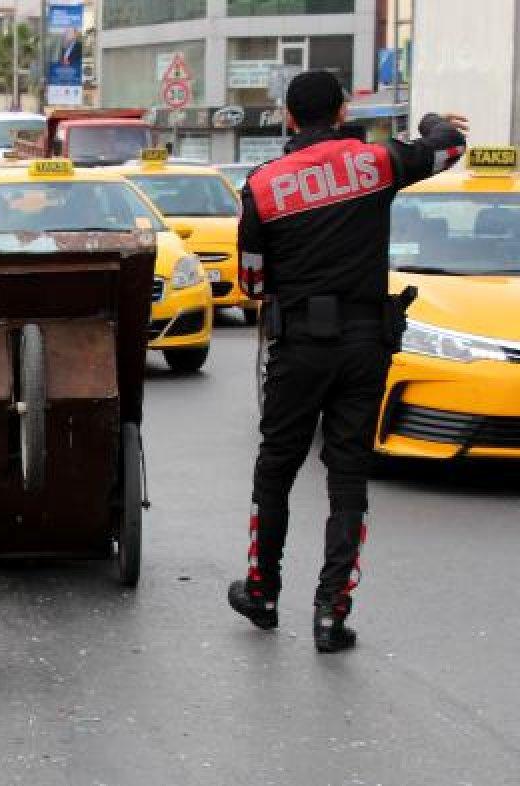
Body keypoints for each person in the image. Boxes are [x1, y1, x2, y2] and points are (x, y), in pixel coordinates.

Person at [227, 70, 467, 653]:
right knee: (348, 474)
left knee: (277, 467)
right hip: (366, 344)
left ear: (287, 116)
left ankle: (262, 592)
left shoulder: (262, 185)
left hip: (299, 347)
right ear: (341, 112)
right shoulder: (378, 163)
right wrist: (433, 121)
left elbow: (252, 281)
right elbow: (450, 148)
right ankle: (332, 614)